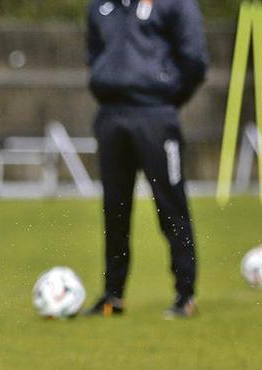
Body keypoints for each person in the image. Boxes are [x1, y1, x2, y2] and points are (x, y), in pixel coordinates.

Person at [83, 0, 208, 318]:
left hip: (156, 115)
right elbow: (94, 54)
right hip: (111, 116)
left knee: (171, 206)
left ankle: (185, 294)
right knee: (115, 209)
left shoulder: (175, 4)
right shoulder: (101, 6)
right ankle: (113, 295)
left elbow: (194, 61)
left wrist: (165, 96)